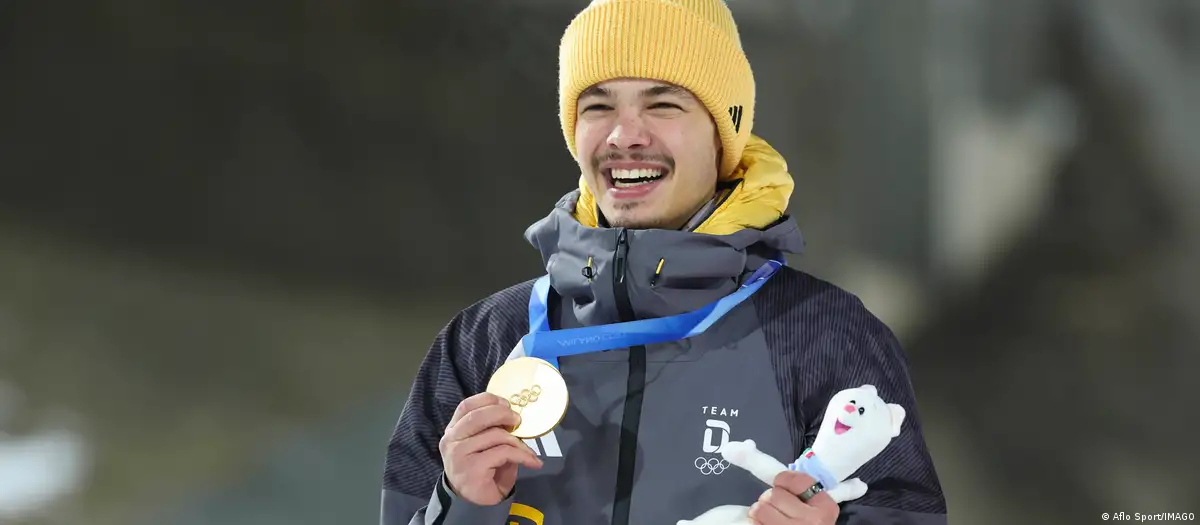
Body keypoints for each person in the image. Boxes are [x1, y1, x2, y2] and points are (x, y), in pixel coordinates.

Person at [380, 0, 947, 524]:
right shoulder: (484, 339)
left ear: (724, 132)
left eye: (663, 104)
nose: (624, 136)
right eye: (598, 106)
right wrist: (462, 509)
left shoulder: (824, 334)